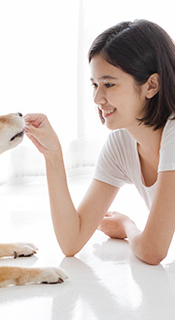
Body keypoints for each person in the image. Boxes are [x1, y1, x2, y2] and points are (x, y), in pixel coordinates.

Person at [24, 19, 175, 265]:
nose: (97, 98)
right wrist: (53, 155)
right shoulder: (121, 143)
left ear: (151, 85)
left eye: (109, 84)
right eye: (94, 85)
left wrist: (127, 225)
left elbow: (153, 250)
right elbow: (71, 241)